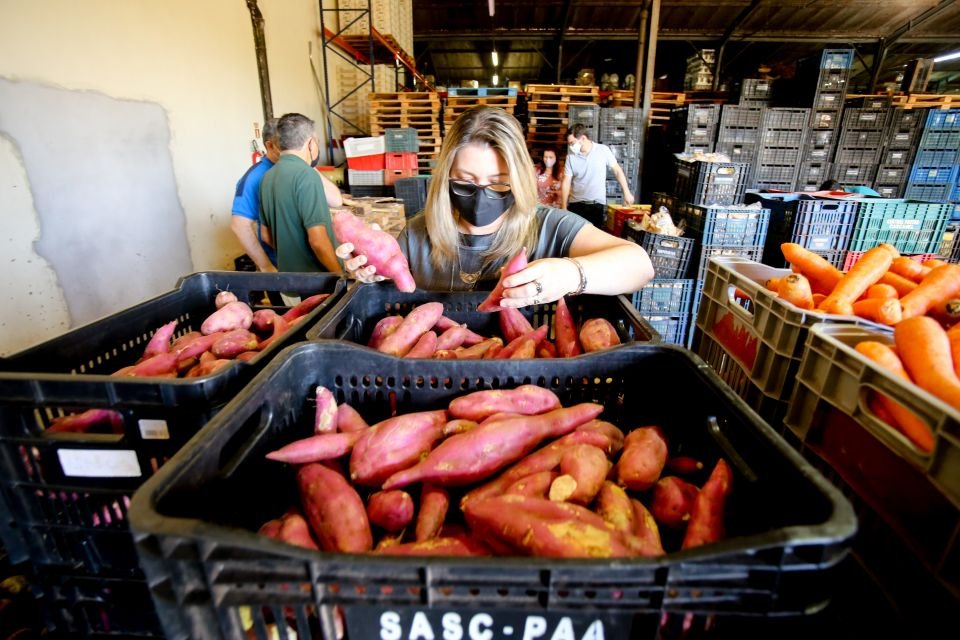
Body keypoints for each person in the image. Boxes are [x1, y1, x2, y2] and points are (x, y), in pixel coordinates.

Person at [337, 106, 654, 306]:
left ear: (519, 179)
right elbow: (386, 296)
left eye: (499, 182)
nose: (481, 195)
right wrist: (366, 271)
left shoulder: (548, 227)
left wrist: (572, 274)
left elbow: (639, 265)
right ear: (445, 176)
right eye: (465, 181)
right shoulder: (418, 234)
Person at [231, 119, 344, 272]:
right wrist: (266, 266)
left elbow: (336, 200)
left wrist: (307, 165)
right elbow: (240, 226)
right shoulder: (254, 178)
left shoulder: (300, 169)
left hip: (308, 264)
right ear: (270, 145)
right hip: (280, 265)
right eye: (283, 142)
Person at [259, 113, 342, 275]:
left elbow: (265, 234)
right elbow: (318, 241)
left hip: (287, 280)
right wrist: (340, 276)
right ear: (310, 143)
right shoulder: (307, 175)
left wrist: (293, 254)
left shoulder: (267, 177)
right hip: (316, 281)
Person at [561, 123, 635, 230]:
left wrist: (627, 192)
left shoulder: (602, 150)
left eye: (572, 143)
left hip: (596, 205)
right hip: (576, 205)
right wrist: (563, 206)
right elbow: (566, 182)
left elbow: (617, 171)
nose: (571, 146)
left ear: (583, 138)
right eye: (569, 144)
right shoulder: (570, 157)